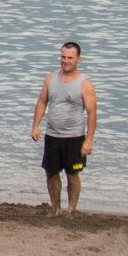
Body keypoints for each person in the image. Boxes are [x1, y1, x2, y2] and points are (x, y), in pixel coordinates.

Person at [30, 41, 97, 218]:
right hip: (52, 135)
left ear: (78, 59)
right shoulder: (50, 79)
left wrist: (89, 140)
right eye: (63, 57)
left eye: (70, 58)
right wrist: (35, 126)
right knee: (51, 172)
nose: (65, 61)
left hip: (74, 137)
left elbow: (91, 113)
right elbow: (42, 102)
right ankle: (55, 208)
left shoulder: (84, 84)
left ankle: (71, 209)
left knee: (72, 173)